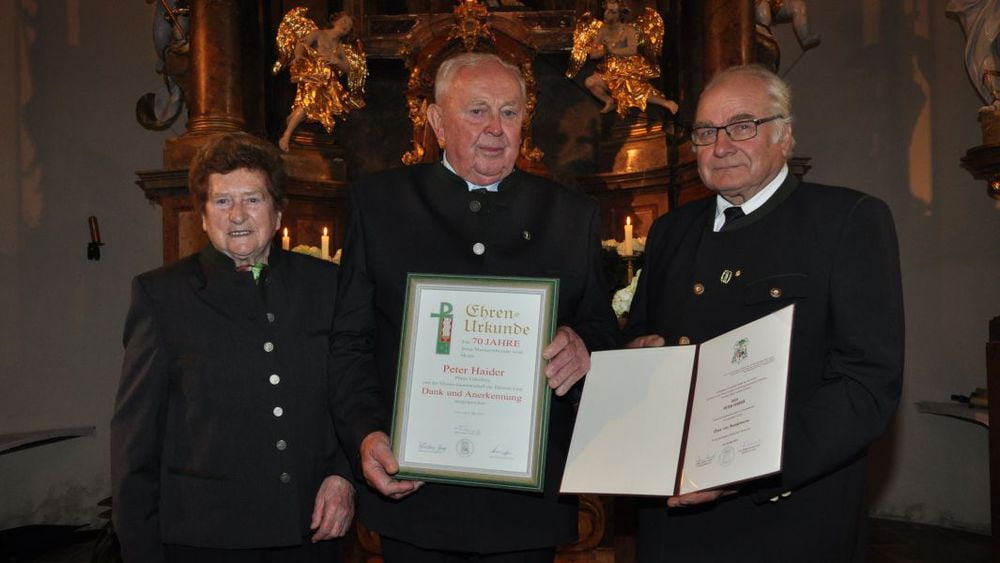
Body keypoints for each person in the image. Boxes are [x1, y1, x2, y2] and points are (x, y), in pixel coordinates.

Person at [329, 52, 619, 561]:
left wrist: (584, 347)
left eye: (509, 112)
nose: (495, 129)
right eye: (477, 111)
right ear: (437, 122)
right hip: (417, 497)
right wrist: (366, 432)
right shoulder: (380, 205)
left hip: (524, 507)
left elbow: (600, 329)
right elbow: (351, 341)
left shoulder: (571, 215)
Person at [623, 65, 904, 562]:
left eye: (742, 126)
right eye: (706, 131)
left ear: (785, 136)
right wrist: (636, 353)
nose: (721, 146)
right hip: (674, 518)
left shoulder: (846, 220)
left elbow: (866, 383)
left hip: (789, 516)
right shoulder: (670, 231)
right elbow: (643, 332)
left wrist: (747, 468)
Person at [111, 132, 354, 562]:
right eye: (222, 201)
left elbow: (352, 396)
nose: (238, 214)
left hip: (310, 532)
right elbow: (136, 441)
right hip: (207, 537)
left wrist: (343, 476)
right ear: (203, 217)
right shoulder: (161, 296)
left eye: (253, 199)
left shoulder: (328, 286)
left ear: (277, 211)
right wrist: (139, 548)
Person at [568, 0, 678, 117]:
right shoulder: (602, 31)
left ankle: (665, 103)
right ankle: (609, 101)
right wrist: (605, 50)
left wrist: (613, 49)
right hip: (608, 69)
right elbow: (592, 55)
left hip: (628, 67)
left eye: (612, 12)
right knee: (590, 82)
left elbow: (631, 50)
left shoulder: (628, 30)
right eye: (606, 10)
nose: (606, 14)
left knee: (632, 89)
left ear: (620, 15)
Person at [276, 11, 366, 152]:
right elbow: (301, 44)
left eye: (349, 25)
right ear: (334, 21)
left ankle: (291, 119)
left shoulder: (340, 47)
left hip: (328, 83)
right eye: (344, 21)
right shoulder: (318, 34)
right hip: (312, 77)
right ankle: (286, 135)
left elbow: (348, 68)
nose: (346, 26)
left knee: (313, 107)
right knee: (308, 103)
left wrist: (337, 61)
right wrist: (298, 56)